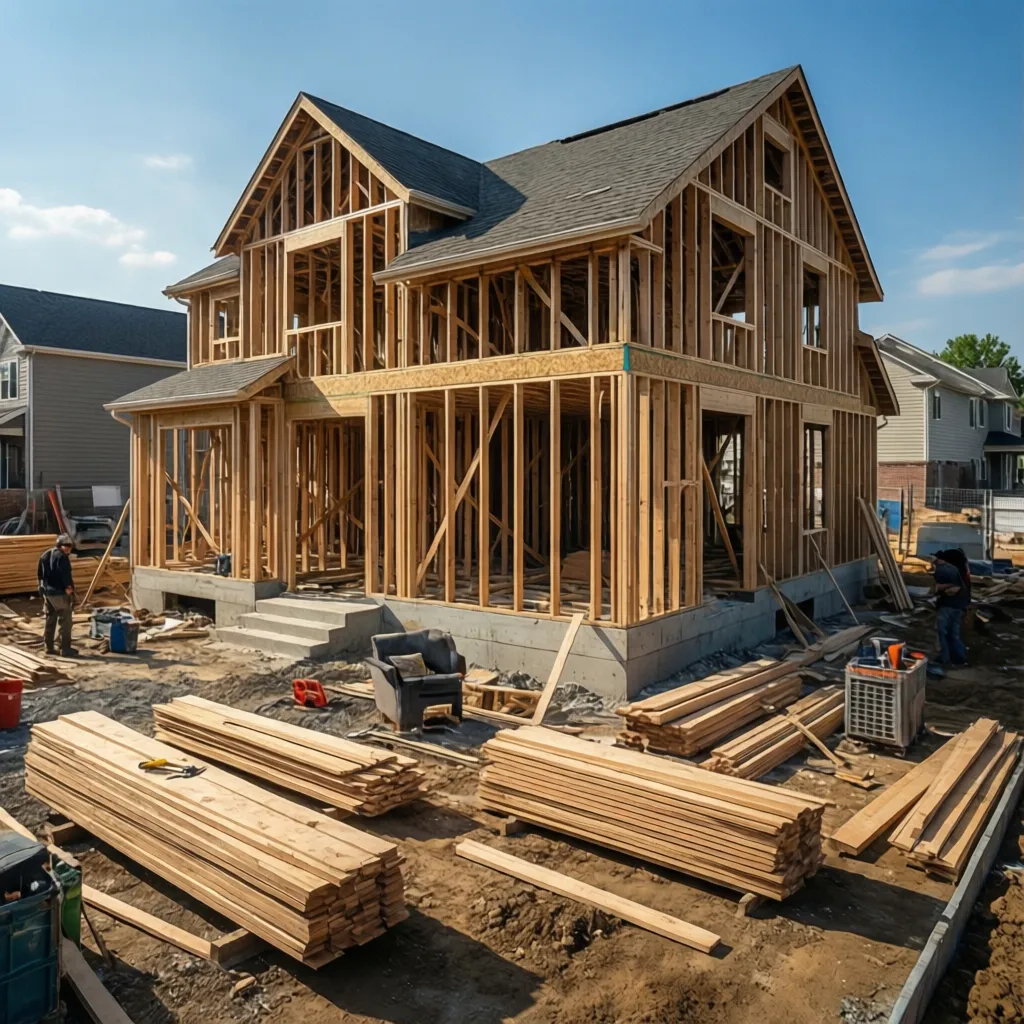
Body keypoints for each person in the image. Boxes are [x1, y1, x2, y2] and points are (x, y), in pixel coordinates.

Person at [37, 534, 77, 656]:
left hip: (48, 593)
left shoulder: (45, 555)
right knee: (65, 620)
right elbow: (65, 574)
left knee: (50, 619)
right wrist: (68, 587)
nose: (69, 549)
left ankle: (48, 647)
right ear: (61, 546)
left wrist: (41, 588)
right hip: (59, 592)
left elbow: (40, 574)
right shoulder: (62, 557)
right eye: (68, 546)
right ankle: (65, 648)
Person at [932, 548, 970, 667]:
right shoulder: (962, 570)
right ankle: (960, 659)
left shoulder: (948, 570)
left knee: (942, 632)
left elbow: (946, 589)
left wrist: (939, 590)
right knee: (953, 634)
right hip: (959, 605)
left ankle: (945, 659)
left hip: (948, 605)